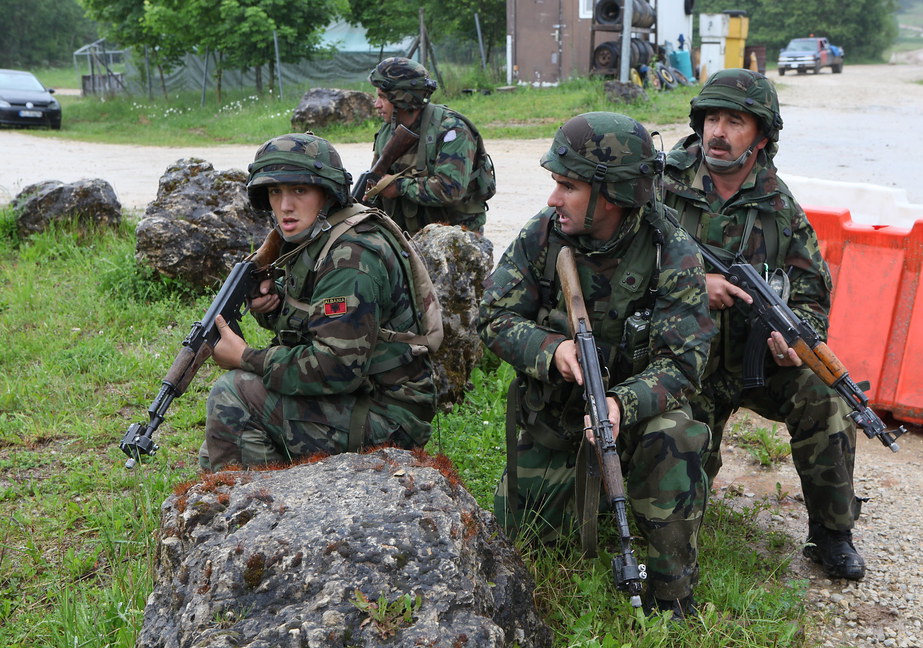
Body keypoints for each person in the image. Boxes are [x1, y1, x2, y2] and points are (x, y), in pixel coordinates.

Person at [478, 111, 715, 618]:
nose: (552, 198)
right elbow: (493, 316)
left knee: (676, 434)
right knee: (527, 544)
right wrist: (552, 351)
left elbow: (684, 364)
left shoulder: (671, 254)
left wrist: (620, 403)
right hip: (555, 419)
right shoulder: (542, 236)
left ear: (614, 195)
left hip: (628, 425)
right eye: (555, 183)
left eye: (568, 186)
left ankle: (671, 592)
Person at [661, 68, 866, 580]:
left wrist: (795, 340)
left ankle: (831, 535)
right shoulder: (659, 186)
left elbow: (814, 291)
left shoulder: (780, 207)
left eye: (735, 121)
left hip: (758, 362)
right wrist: (694, 283)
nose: (718, 132)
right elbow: (620, 266)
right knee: (675, 491)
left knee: (828, 397)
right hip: (681, 360)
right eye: (711, 118)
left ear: (762, 137)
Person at [198, 132, 442, 472]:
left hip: (386, 415)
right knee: (218, 445)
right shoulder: (322, 236)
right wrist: (277, 304)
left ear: (327, 193)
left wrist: (246, 357)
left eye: (300, 190)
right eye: (275, 192)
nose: (285, 206)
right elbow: (321, 320)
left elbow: (336, 369)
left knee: (231, 396)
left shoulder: (351, 257)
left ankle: (267, 511)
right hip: (360, 395)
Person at [364, 57, 495, 235]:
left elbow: (450, 189)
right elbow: (377, 179)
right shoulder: (388, 131)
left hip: (455, 236)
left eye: (382, 97)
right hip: (408, 235)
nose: (376, 104)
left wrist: (399, 187)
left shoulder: (452, 129)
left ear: (402, 98)